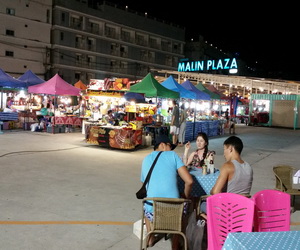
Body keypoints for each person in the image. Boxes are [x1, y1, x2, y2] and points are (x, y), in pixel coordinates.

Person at [140, 134, 193, 248]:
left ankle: (150, 237)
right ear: (163, 145)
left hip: (153, 212)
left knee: (146, 204)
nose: (171, 150)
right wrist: (186, 196)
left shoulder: (146, 159)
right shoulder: (172, 156)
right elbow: (189, 181)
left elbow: (145, 186)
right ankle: (175, 242)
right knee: (188, 205)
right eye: (170, 146)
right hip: (174, 212)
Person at [200, 136, 253, 214]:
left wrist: (211, 191)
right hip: (243, 209)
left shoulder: (228, 166)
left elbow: (215, 192)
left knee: (202, 204)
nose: (224, 154)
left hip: (228, 210)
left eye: (224, 149)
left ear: (230, 149)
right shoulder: (249, 167)